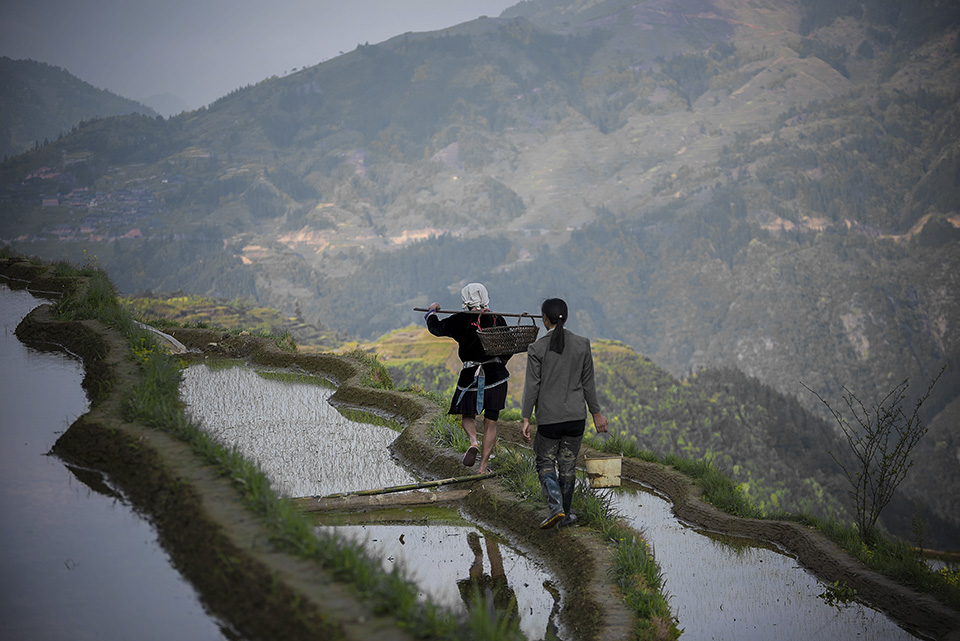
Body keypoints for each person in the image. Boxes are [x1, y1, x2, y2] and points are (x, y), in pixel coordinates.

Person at [521, 298, 608, 529]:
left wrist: (526, 417)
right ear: (566, 317)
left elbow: (532, 386)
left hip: (550, 420)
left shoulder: (537, 348)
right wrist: (596, 414)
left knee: (545, 461)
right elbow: (588, 383)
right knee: (568, 465)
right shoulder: (582, 344)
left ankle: (556, 507)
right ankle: (565, 516)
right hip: (576, 419)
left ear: (544, 319)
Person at [425, 283, 510, 474]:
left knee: (467, 416)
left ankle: (473, 441)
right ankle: (483, 467)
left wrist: (431, 312)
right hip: (496, 376)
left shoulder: (460, 320)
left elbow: (437, 328)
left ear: (466, 300)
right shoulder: (497, 319)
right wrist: (499, 363)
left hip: (470, 374)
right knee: (491, 421)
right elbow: (508, 348)